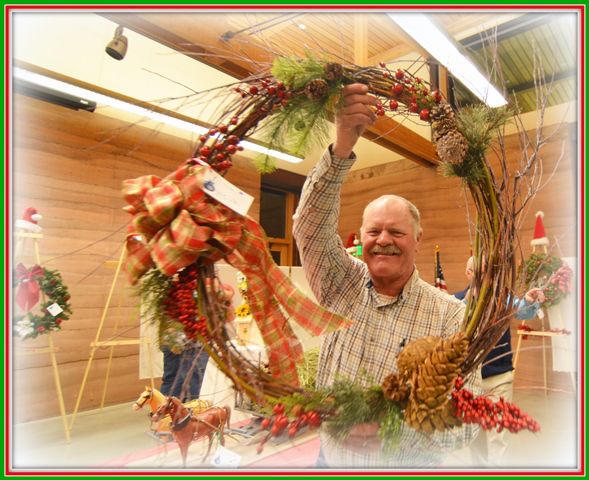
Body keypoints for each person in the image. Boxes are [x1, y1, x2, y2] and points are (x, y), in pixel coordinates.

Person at [292, 83, 480, 467]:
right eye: (373, 231)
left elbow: (469, 413)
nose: (383, 241)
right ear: (360, 237)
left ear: (417, 239)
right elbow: (309, 226)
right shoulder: (340, 283)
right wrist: (342, 145)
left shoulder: (447, 315)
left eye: (396, 232)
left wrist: (398, 430)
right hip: (330, 460)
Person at [454, 256, 545, 466]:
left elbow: (524, 309)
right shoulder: (458, 301)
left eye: (490, 270)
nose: (486, 275)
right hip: (469, 380)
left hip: (499, 378)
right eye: (481, 270)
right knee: (474, 433)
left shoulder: (503, 300)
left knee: (498, 433)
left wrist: (531, 301)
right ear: (469, 273)